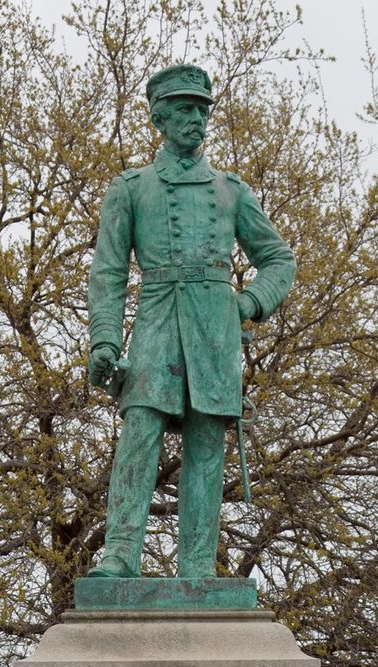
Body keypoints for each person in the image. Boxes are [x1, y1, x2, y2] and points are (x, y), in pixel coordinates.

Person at [87, 64, 295, 579]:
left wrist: (249, 304)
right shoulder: (131, 188)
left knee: (206, 443)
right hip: (157, 320)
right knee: (141, 429)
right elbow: (109, 271)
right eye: (184, 110)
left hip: (214, 331)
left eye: (202, 110)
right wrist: (105, 340)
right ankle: (120, 555)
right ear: (159, 117)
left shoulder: (231, 191)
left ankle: (199, 565)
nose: (196, 120)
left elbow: (279, 259)